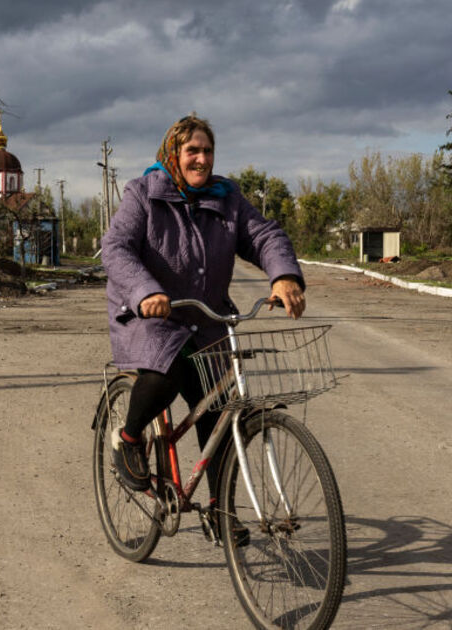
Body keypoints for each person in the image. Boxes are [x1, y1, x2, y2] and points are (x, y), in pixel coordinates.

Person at [100, 114, 306, 519]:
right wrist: (146, 292)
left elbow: (264, 235)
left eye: (207, 150)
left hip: (207, 320)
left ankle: (219, 512)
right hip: (149, 317)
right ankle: (127, 438)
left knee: (220, 417)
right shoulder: (143, 193)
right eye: (192, 150)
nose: (201, 159)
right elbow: (117, 249)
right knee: (165, 372)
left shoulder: (226, 197)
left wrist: (283, 276)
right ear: (173, 154)